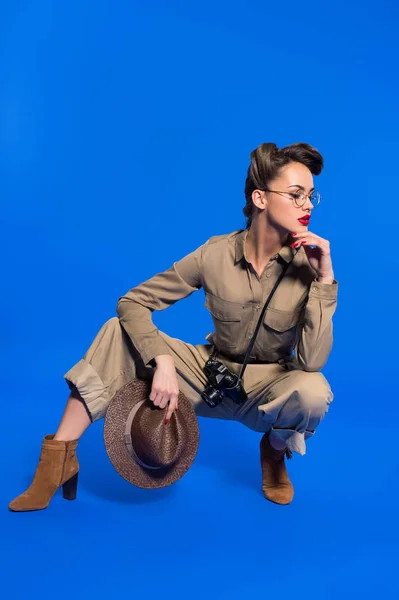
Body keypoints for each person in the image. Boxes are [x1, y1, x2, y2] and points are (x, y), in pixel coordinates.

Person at [9, 142, 338, 511]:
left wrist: (324, 278)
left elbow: (312, 362)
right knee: (115, 331)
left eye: (311, 196)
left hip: (269, 389)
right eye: (296, 195)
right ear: (260, 199)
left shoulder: (309, 265)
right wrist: (161, 358)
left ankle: (274, 453)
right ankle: (58, 459)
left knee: (313, 391)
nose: (308, 205)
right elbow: (132, 302)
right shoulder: (214, 254)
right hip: (206, 376)